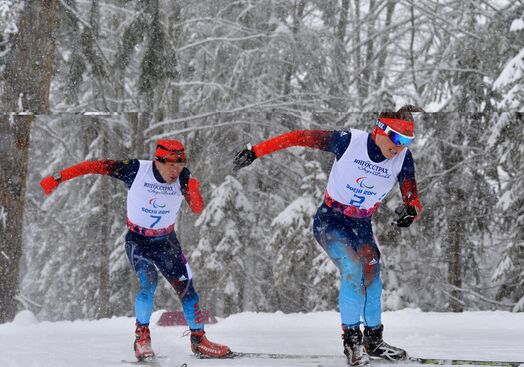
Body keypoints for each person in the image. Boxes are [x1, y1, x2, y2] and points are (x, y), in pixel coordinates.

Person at [232, 105, 424, 366]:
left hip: (361, 225)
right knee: (353, 269)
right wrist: (256, 151)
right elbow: (298, 136)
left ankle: (373, 341)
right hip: (330, 221)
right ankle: (352, 342)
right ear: (380, 129)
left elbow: (410, 192)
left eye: (407, 141)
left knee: (372, 277)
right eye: (397, 139)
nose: (400, 147)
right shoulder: (348, 141)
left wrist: (411, 209)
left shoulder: (403, 158)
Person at [40, 140, 232, 361]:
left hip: (167, 242)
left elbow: (197, 208)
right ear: (157, 161)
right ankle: (142, 337)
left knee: (188, 291)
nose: (175, 170)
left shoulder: (184, 177)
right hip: (138, 241)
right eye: (171, 165)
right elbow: (95, 165)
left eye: (180, 164)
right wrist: (58, 178)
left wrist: (194, 189)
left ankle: (199, 341)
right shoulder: (136, 169)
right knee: (148, 285)